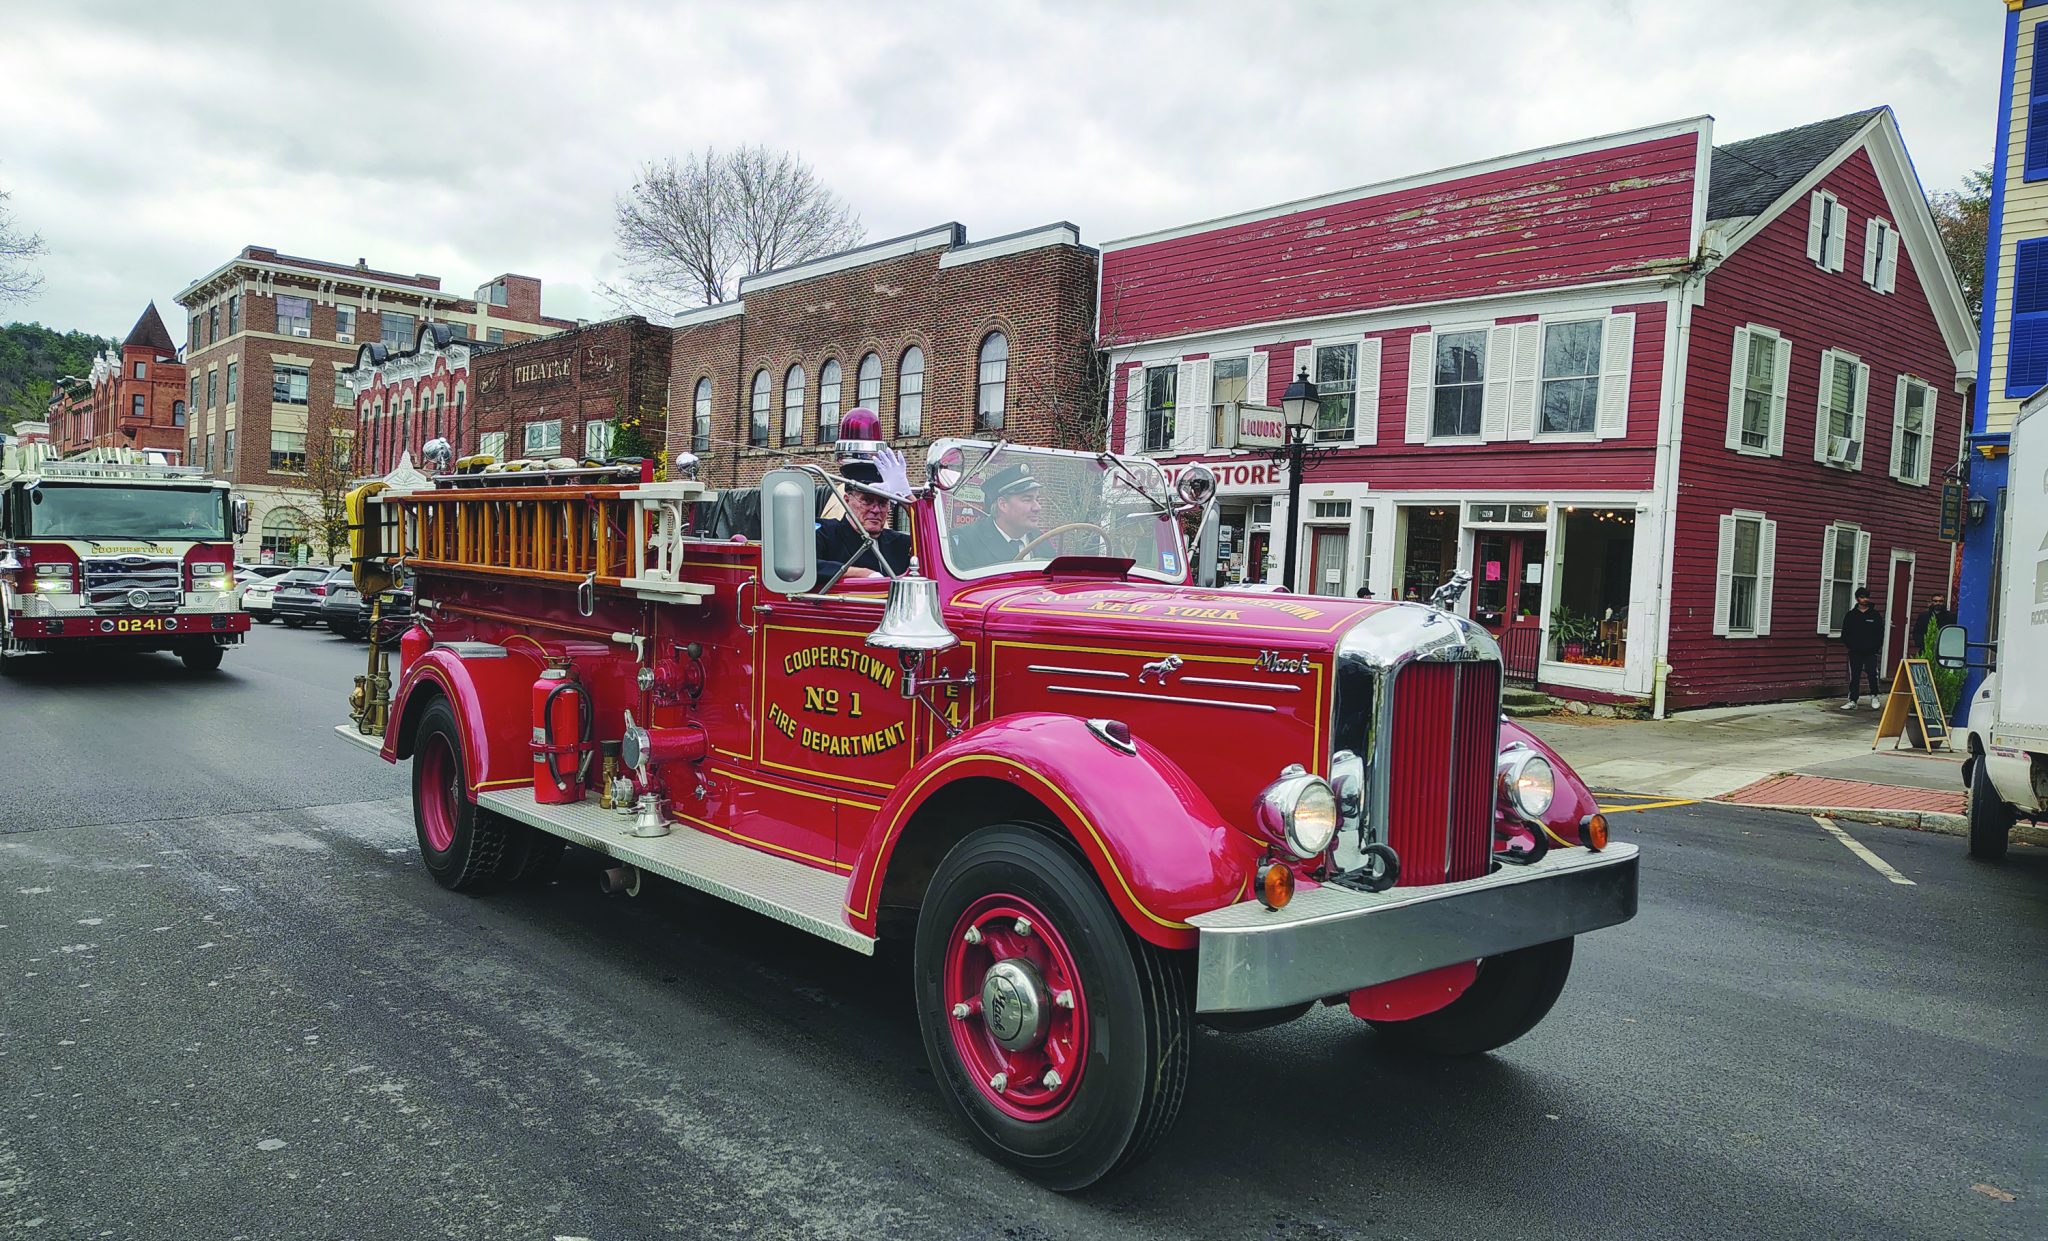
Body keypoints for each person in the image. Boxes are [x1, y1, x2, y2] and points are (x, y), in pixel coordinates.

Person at [815, 408, 912, 581]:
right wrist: (863, 574)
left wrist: (907, 498)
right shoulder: (826, 534)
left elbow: (935, 546)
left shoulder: (898, 543)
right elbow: (801, 566)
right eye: (867, 501)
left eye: (883, 503)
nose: (876, 510)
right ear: (846, 500)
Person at [951, 461, 1045, 570]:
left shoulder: (1041, 540)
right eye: (1027, 499)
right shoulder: (966, 542)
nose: (1037, 507)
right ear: (1003, 504)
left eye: (1037, 499)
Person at [1840, 586, 1885, 709]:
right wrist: (1851, 646)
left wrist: (1876, 647)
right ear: (1857, 599)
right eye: (1862, 597)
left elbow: (1880, 633)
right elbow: (1845, 633)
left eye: (1866, 597)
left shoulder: (1875, 615)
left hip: (1871, 651)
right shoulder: (1851, 615)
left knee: (1872, 674)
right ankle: (1853, 700)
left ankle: (1875, 696)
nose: (1865, 599)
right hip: (1855, 651)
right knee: (1855, 675)